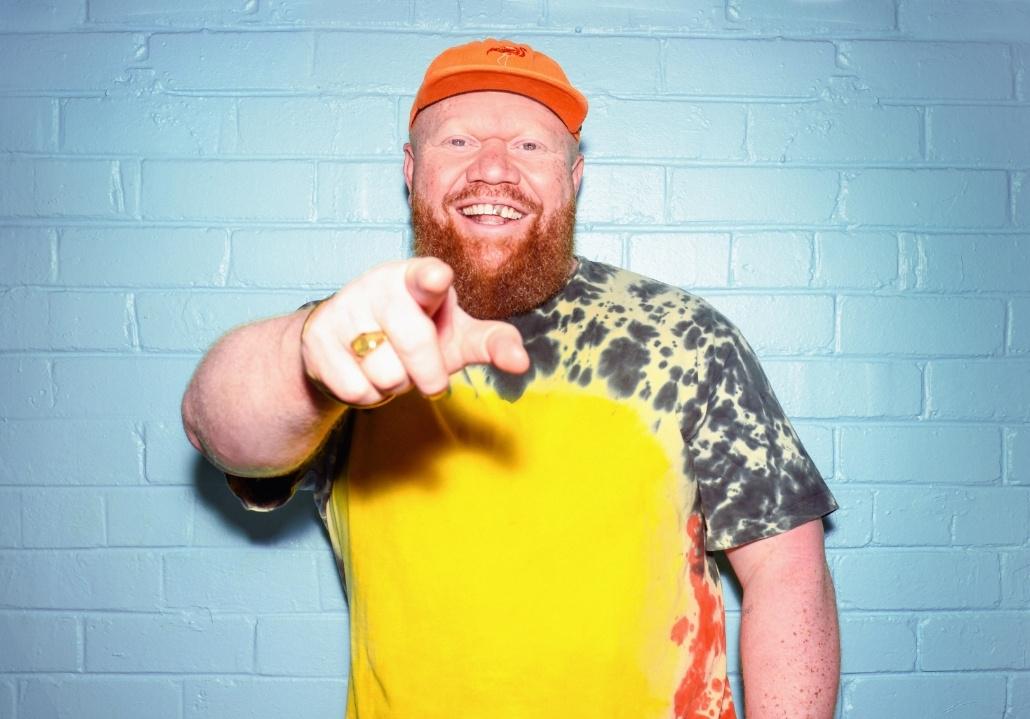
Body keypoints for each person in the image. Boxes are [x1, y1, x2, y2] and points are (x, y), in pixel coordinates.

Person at [182, 38, 840, 719]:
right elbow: (217, 428)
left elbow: (787, 570)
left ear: (573, 177)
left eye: (529, 146)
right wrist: (304, 352)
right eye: (459, 141)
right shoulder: (360, 336)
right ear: (410, 169)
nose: (493, 168)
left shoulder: (684, 337)